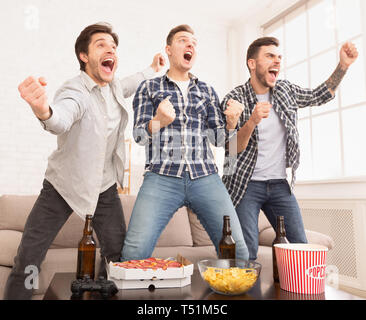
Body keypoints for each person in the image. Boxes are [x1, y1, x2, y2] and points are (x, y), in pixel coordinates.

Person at [4, 22, 165, 300]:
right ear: (84, 56)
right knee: (29, 257)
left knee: (117, 258)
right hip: (62, 186)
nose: (110, 50)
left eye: (113, 47)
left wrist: (153, 68)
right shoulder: (74, 90)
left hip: (103, 187)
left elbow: (131, 81)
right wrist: (44, 110)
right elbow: (61, 118)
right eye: (101, 45)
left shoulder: (113, 86)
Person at [221, 37, 358, 260]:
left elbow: (319, 96)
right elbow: (231, 149)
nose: (277, 61)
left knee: (300, 248)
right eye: (269, 56)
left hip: (279, 185)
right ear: (252, 63)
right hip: (245, 185)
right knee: (246, 252)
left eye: (279, 57)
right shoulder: (234, 99)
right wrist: (252, 120)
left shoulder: (285, 90)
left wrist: (343, 66)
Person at [121, 24, 249, 262]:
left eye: (194, 42)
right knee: (133, 254)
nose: (190, 44)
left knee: (239, 253)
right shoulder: (149, 87)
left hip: (206, 177)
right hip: (161, 177)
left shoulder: (207, 91)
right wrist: (158, 121)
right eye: (183, 40)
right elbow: (139, 136)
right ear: (168, 49)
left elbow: (221, 141)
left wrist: (232, 123)